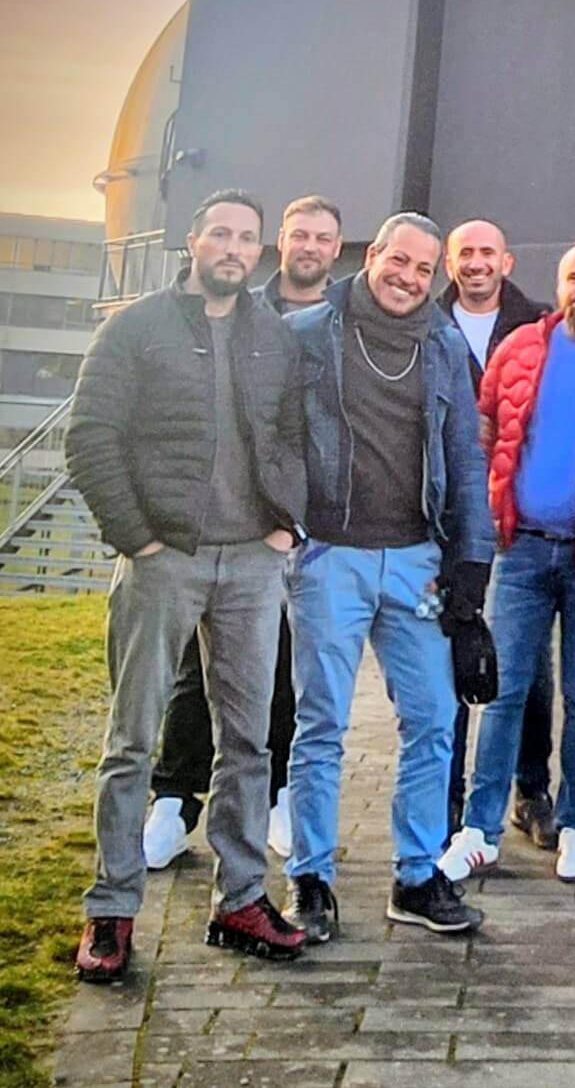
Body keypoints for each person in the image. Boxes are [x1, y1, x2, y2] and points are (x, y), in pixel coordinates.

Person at [68, 189, 309, 981]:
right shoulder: (134, 328)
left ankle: (240, 898)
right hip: (162, 559)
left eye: (247, 237)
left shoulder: (273, 337)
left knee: (248, 742)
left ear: (258, 251)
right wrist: (137, 539)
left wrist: (284, 526)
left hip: (251, 564)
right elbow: (90, 437)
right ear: (193, 242)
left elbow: (297, 436)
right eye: (221, 234)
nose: (234, 248)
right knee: (132, 740)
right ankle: (111, 910)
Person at [282, 212, 494, 942]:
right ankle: (310, 878)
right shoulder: (308, 333)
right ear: (372, 255)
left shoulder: (443, 344)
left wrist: (471, 563)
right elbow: (271, 435)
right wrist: (284, 518)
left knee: (434, 719)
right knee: (321, 724)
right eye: (397, 261)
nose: (408, 278)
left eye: (423, 269)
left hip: (416, 562)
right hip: (328, 556)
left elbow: (465, 456)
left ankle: (416, 875)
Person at [142, 194, 343, 871]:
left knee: (283, 668)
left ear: (337, 248)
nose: (310, 247)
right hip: (220, 523)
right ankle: (175, 797)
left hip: (297, 527)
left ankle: (278, 794)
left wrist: (293, 521)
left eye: (324, 238)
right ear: (278, 242)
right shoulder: (241, 310)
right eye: (300, 235)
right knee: (193, 669)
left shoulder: (341, 322)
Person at [439, 243, 575, 883]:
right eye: (572, 277)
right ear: (558, 286)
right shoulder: (521, 347)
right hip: (522, 549)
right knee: (501, 691)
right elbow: (483, 433)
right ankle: (479, 831)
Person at [438, 220, 558, 847]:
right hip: (447, 515)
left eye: (488, 252)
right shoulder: (428, 325)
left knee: (528, 663)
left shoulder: (541, 325)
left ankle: (531, 789)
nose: (477, 263)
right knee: (452, 652)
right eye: (466, 253)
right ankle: (449, 798)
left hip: (517, 517)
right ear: (449, 263)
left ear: (506, 261)